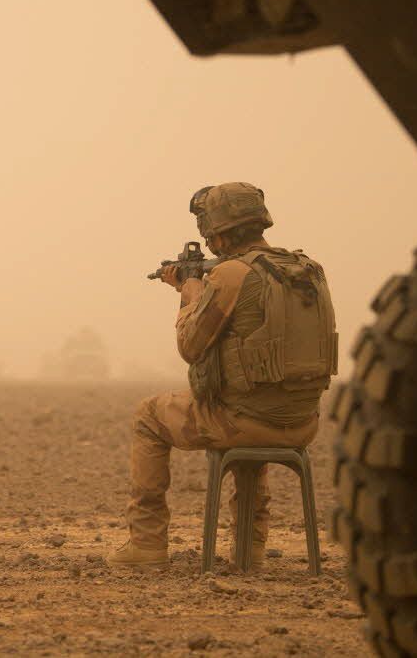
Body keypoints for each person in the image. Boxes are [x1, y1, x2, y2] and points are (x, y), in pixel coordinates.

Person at [108, 182, 338, 568]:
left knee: (149, 415)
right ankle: (250, 551)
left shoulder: (231, 275)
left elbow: (190, 346)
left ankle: (146, 546)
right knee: (253, 401)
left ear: (215, 231)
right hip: (301, 422)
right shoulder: (306, 270)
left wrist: (189, 290)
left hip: (244, 423)